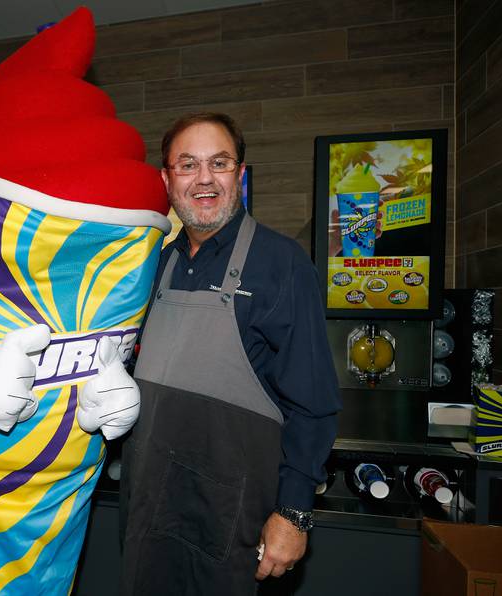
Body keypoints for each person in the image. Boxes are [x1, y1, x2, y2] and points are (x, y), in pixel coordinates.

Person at [120, 112, 342, 595]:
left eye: (218, 163)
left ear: (240, 175)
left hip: (228, 514)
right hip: (147, 503)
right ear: (167, 179)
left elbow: (315, 404)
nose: (204, 179)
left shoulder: (281, 264)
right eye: (187, 165)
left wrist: (294, 513)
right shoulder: (153, 264)